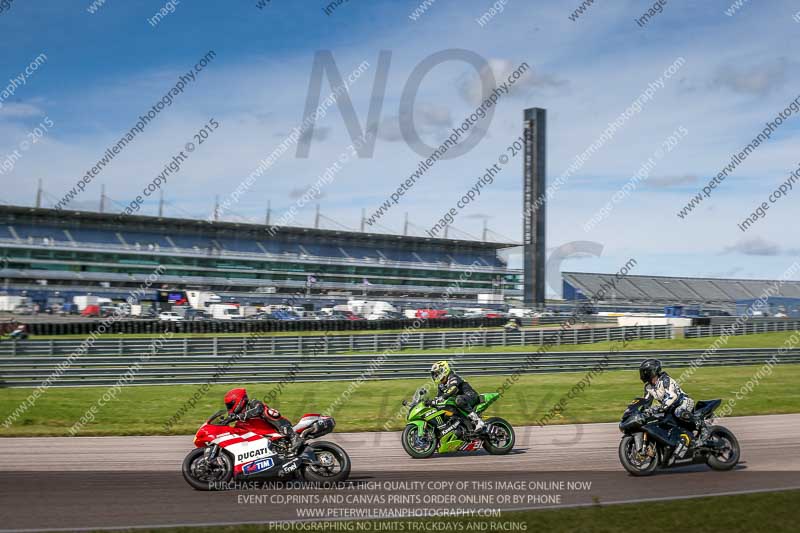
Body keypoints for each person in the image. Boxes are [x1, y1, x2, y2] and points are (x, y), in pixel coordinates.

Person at [639, 359, 707, 445]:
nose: (643, 374)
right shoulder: (648, 387)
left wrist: (662, 407)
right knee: (661, 422)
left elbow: (672, 396)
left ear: (652, 371)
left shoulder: (665, 380)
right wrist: (640, 413)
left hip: (683, 402)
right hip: (669, 408)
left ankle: (701, 425)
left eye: (644, 372)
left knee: (678, 412)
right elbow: (646, 402)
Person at [223, 388, 300, 450]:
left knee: (268, 412)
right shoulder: (238, 416)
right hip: (261, 436)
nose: (229, 408)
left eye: (230, 405)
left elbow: (258, 409)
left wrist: (240, 416)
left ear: (239, 401)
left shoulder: (253, 403)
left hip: (275, 429)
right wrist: (224, 422)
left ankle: (293, 436)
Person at [429, 361, 485, 432]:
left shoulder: (452, 377)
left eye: (437, 373)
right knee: (442, 407)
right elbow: (439, 397)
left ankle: (478, 421)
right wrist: (430, 402)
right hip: (459, 401)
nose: (436, 376)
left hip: (470, 395)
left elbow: (453, 389)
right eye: (435, 374)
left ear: (444, 370)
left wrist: (443, 397)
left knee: (459, 400)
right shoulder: (441, 385)